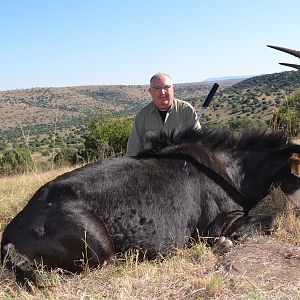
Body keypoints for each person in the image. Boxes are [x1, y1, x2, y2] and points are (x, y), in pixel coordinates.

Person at [126, 72, 201, 156]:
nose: (162, 92)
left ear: (173, 89)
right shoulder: (142, 116)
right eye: (157, 88)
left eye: (166, 87)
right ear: (150, 92)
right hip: (152, 167)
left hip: (181, 166)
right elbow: (133, 151)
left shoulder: (187, 111)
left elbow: (199, 144)